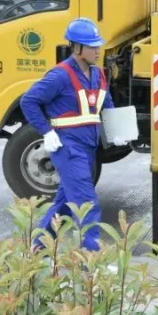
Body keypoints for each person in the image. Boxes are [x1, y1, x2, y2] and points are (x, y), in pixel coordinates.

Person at [21, 17, 115, 251]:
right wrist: (47, 131)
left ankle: (36, 250)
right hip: (69, 148)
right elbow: (29, 101)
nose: (98, 50)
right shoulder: (60, 75)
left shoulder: (98, 74)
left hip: (88, 149)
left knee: (63, 205)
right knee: (87, 204)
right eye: (93, 46)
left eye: (98, 45)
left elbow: (106, 101)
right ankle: (90, 264)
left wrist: (117, 128)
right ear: (77, 48)